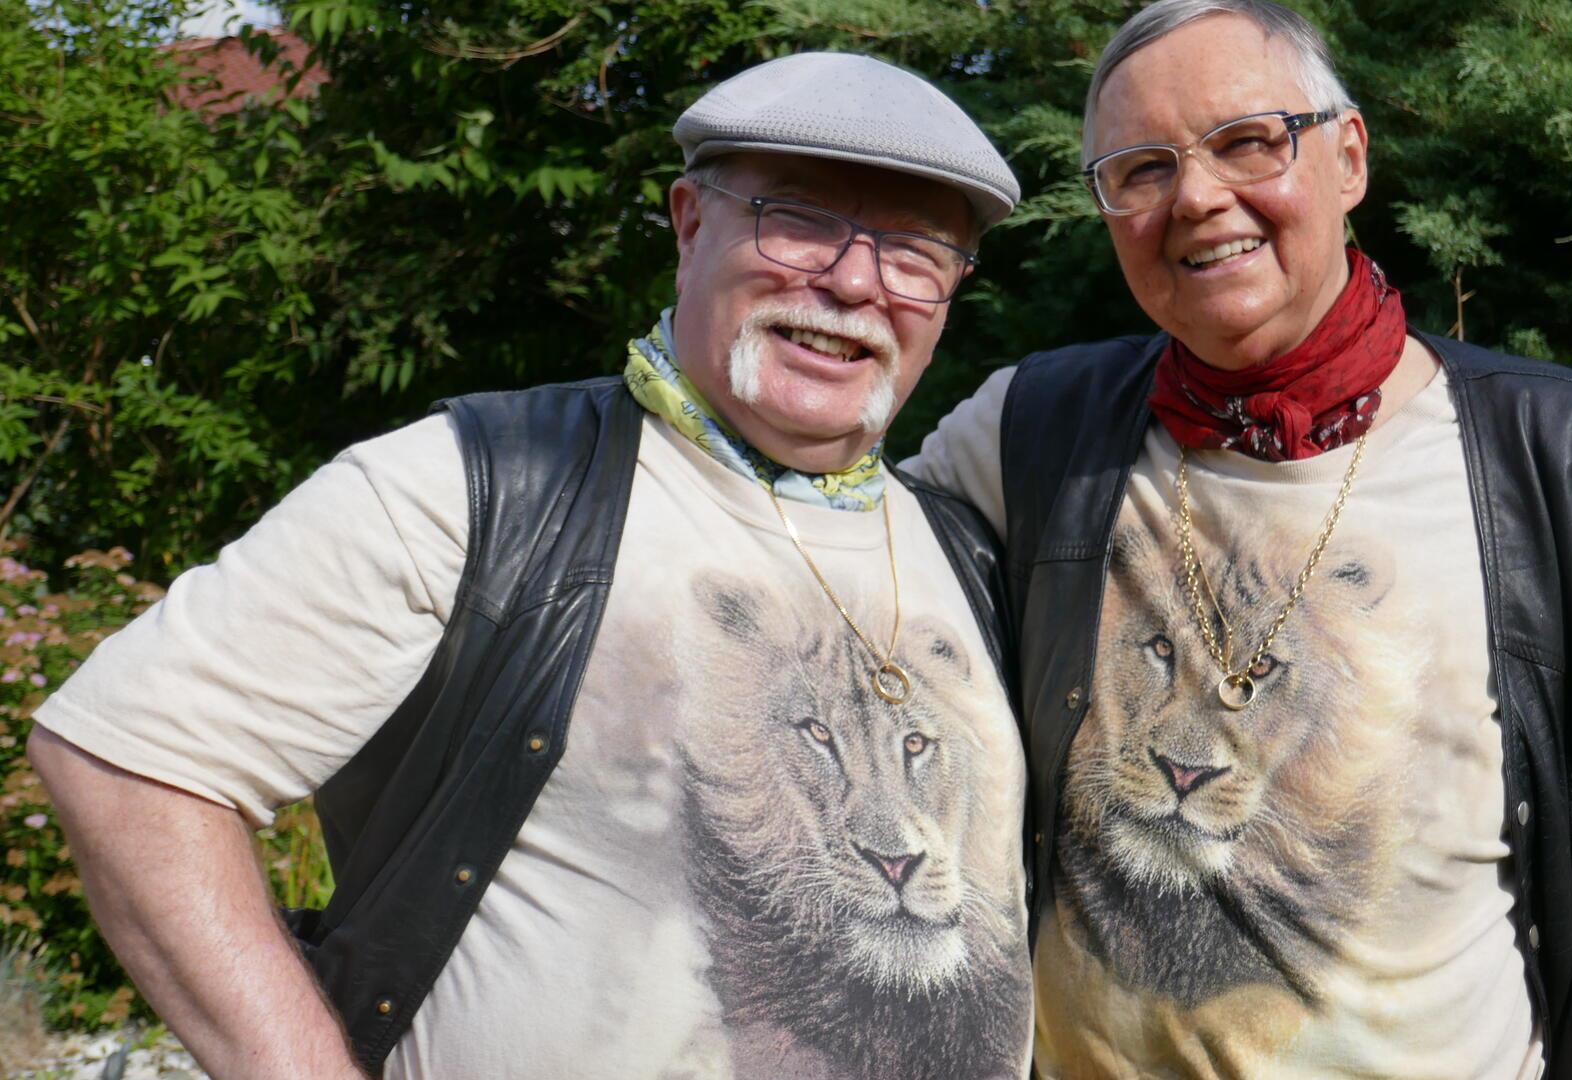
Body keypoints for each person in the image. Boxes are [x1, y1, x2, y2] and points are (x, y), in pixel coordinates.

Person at [29, 52, 1034, 1080]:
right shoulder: (470, 486)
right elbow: (130, 760)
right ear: (690, 224)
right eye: (800, 219)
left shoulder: (965, 544)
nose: (855, 282)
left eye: (914, 252)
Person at [902, 2, 1572, 1078]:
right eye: (1140, 170)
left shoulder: (1559, 470)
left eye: (1248, 141)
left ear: (1349, 159)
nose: (1195, 198)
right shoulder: (1030, 434)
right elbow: (807, 565)